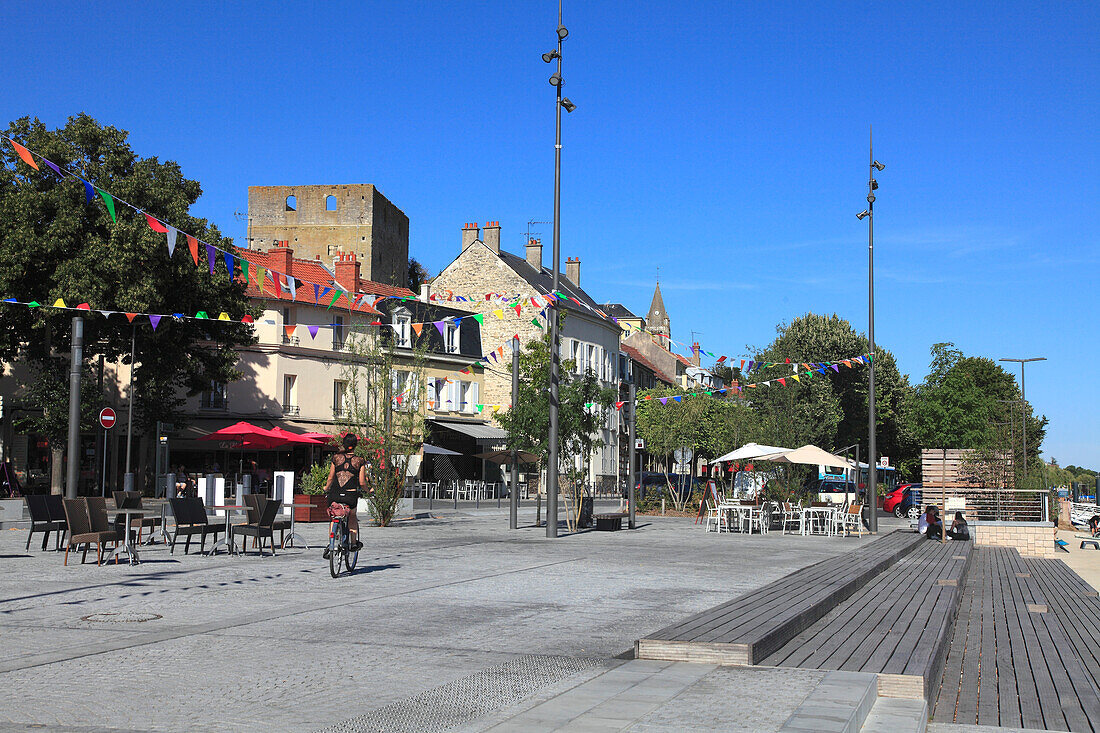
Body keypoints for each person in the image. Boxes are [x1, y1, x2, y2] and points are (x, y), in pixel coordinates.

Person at [323, 433, 367, 558]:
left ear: (343, 444)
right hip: (350, 495)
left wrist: (326, 488)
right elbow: (362, 482)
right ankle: (353, 543)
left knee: (334, 515)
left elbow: (331, 477)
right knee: (352, 515)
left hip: (335, 494)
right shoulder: (360, 460)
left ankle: (331, 544)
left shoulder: (336, 458)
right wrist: (369, 490)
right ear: (355, 446)